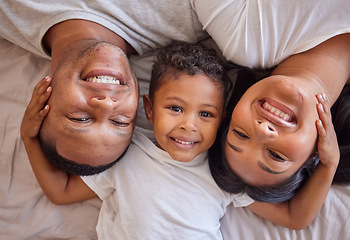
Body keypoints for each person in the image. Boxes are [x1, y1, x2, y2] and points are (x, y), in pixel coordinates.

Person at [21, 41, 340, 238]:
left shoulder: (224, 174)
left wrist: (329, 163)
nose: (188, 126)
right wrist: (29, 136)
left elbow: (296, 218)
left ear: (223, 118)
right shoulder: (125, 157)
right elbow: (60, 192)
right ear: (148, 108)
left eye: (205, 114)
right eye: (175, 108)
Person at [0, 0, 208, 174]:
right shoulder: (193, 19)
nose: (107, 104)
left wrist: (28, 137)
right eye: (119, 121)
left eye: (80, 118)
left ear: (42, 102)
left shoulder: (9, 13)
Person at [208, 33, 350, 203]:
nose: (263, 130)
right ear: (315, 153)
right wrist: (329, 165)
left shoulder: (244, 34)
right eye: (275, 155)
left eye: (241, 134)